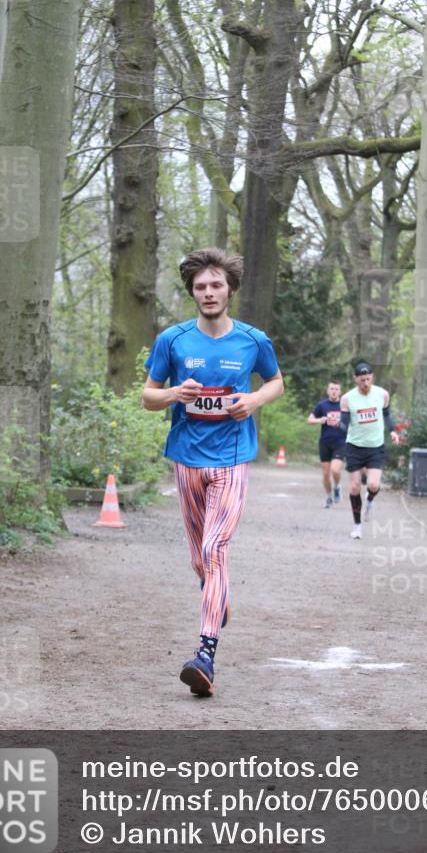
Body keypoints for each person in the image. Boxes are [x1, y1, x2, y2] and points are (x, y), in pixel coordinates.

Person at [142, 248, 284, 697]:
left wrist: (255, 401)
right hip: (187, 458)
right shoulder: (174, 340)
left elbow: (276, 381)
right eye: (200, 287)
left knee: (215, 548)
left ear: (230, 289)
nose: (208, 293)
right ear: (192, 292)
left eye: (216, 285)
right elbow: (148, 395)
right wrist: (174, 394)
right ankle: (215, 596)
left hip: (232, 458)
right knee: (200, 561)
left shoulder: (253, 340)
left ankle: (205, 655)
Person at [334, 361, 400, 539]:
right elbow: (344, 426)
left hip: (375, 447)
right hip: (354, 447)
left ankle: (370, 501)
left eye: (368, 379)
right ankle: (357, 526)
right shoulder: (347, 399)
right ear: (355, 379)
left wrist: (393, 431)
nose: (365, 383)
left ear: (372, 378)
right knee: (355, 487)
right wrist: (336, 424)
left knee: (373, 485)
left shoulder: (382, 395)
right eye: (362, 380)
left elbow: (387, 416)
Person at [307, 381, 345, 507]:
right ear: (328, 390)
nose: (334, 391)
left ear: (340, 391)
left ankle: (337, 487)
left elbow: (352, 423)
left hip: (340, 442)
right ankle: (329, 497)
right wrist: (319, 420)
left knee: (335, 470)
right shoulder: (322, 405)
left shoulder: (344, 406)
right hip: (325, 442)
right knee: (325, 473)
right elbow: (310, 420)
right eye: (332, 389)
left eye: (337, 389)